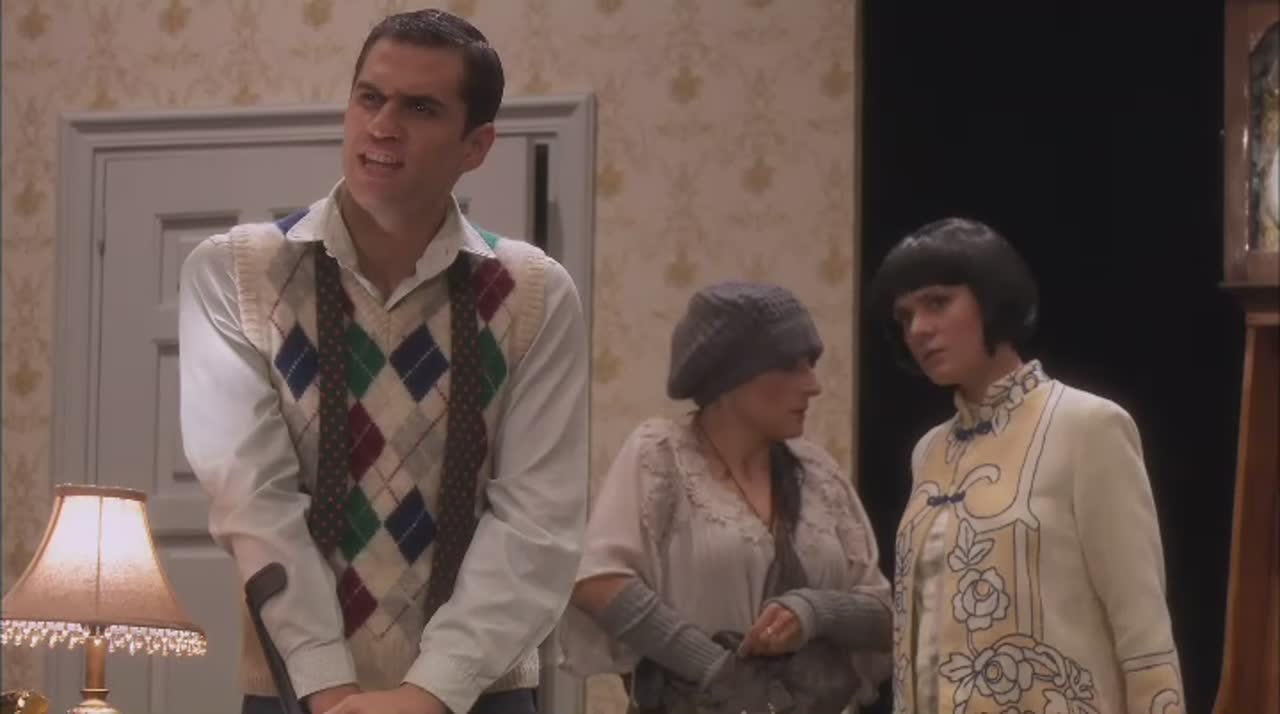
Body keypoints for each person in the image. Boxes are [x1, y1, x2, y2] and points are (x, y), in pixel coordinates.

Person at [178, 9, 588, 714]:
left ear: (476, 145)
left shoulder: (533, 293)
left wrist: (429, 693)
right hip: (295, 691)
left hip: (477, 695)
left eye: (420, 108)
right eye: (369, 97)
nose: (382, 126)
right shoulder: (237, 273)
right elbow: (253, 498)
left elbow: (536, 523)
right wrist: (328, 686)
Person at [867, 218, 1185, 714]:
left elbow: (1144, 634)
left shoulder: (1088, 426)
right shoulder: (928, 450)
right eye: (905, 317)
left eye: (937, 303)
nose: (919, 329)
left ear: (992, 299)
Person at [559, 281, 893, 713]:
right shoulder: (664, 456)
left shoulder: (816, 474)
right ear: (732, 375)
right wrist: (715, 669)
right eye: (791, 366)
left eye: (810, 366)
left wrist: (815, 611)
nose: (813, 385)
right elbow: (598, 581)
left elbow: (885, 615)